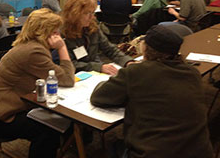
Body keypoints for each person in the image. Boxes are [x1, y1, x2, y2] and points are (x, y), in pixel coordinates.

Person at [90, 25, 213, 158]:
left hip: (152, 153)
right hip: (199, 152)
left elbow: (99, 97)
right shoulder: (193, 73)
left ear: (144, 48)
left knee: (113, 146)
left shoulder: (136, 72)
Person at [0, 8, 75, 158]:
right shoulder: (34, 52)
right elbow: (67, 79)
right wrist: (62, 47)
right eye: (55, 31)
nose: (58, 34)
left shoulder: (28, 43)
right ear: (44, 32)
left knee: (53, 119)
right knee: (48, 130)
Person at [62, 0, 133, 75]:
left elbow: (110, 49)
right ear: (75, 14)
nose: (92, 17)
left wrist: (128, 62)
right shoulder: (62, 33)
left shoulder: (92, 27)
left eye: (92, 13)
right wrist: (99, 67)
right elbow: (70, 64)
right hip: (75, 76)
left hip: (94, 73)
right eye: (87, 13)